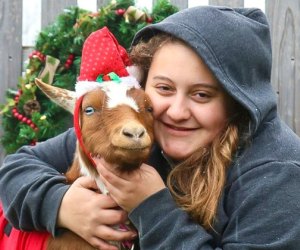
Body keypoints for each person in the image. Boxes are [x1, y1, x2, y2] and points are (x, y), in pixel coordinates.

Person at [1, 5, 300, 250]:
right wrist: (62, 204)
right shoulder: (139, 127)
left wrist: (151, 206)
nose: (176, 112)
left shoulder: (277, 173)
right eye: (164, 88)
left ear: (238, 101)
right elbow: (16, 168)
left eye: (201, 95)